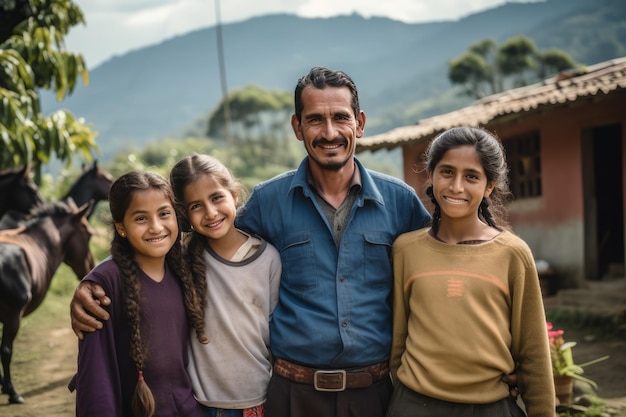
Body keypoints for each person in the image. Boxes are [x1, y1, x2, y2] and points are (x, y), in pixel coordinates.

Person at [69, 67, 517, 417]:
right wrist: (96, 280)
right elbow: (186, 241)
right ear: (297, 127)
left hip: (377, 395)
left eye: (340, 117)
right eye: (314, 119)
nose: (329, 131)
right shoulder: (267, 202)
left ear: (359, 122)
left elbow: (445, 261)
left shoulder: (399, 202)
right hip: (290, 396)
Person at [387, 127, 555, 417]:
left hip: (490, 408)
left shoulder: (512, 254)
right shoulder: (405, 250)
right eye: (447, 172)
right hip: (413, 405)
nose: (456, 187)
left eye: (472, 176)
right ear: (431, 175)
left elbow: (534, 354)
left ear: (489, 185)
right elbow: (397, 342)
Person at [69, 171, 208, 417]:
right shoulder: (105, 285)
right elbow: (96, 379)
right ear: (121, 227)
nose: (156, 227)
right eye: (141, 218)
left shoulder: (183, 271)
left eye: (164, 213)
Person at [169, 154, 281, 417]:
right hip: (198, 404)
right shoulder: (179, 261)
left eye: (216, 197)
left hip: (257, 402)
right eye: (196, 206)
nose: (210, 212)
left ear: (235, 195)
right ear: (184, 213)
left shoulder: (268, 259)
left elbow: (277, 335)